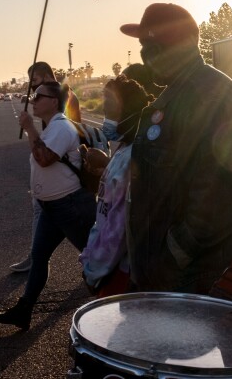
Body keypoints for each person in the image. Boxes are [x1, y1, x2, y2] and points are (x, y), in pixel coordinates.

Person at [119, 3, 232, 293]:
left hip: (197, 280)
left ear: (190, 42)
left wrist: (172, 257)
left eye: (158, 41)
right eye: (144, 43)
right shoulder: (174, 95)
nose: (147, 52)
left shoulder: (210, 95)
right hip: (166, 276)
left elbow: (218, 197)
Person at [0, 81, 96, 330]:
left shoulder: (60, 126)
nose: (34, 100)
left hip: (70, 205)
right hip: (53, 207)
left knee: (96, 258)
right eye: (34, 96)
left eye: (39, 96)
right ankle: (24, 310)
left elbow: (45, 159)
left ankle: (116, 302)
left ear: (53, 101)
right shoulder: (50, 128)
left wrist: (28, 128)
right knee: (39, 257)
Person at [9, 62, 90, 273]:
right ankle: (38, 258)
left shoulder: (64, 96)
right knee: (49, 218)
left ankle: (99, 263)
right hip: (51, 172)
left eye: (34, 81)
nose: (32, 89)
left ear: (46, 76)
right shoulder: (47, 98)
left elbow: (76, 129)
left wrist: (33, 131)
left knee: (77, 230)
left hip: (64, 177)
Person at [79, 75, 149, 297]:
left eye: (109, 109)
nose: (105, 118)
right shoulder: (123, 151)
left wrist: (93, 271)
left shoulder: (130, 160)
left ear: (129, 113)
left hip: (117, 273)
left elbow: (117, 230)